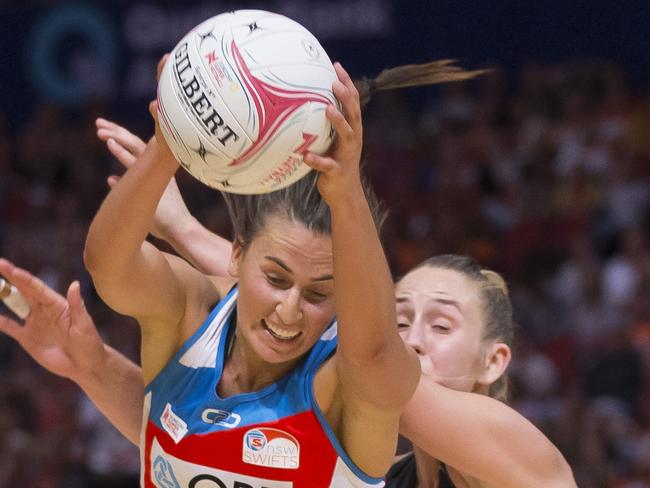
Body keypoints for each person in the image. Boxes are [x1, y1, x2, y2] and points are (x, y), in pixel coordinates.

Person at [96, 120, 578, 487]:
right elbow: (298, 293)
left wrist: (189, 232)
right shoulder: (380, 462)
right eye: (400, 318)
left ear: (493, 361)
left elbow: (364, 343)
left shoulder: (517, 453)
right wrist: (89, 365)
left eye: (442, 326)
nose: (410, 339)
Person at [82, 56, 420, 488]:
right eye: (276, 279)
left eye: (319, 295)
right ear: (237, 255)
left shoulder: (345, 385)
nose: (289, 310)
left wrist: (347, 195)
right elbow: (108, 267)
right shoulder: (193, 317)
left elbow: (373, 350)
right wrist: (168, 148)